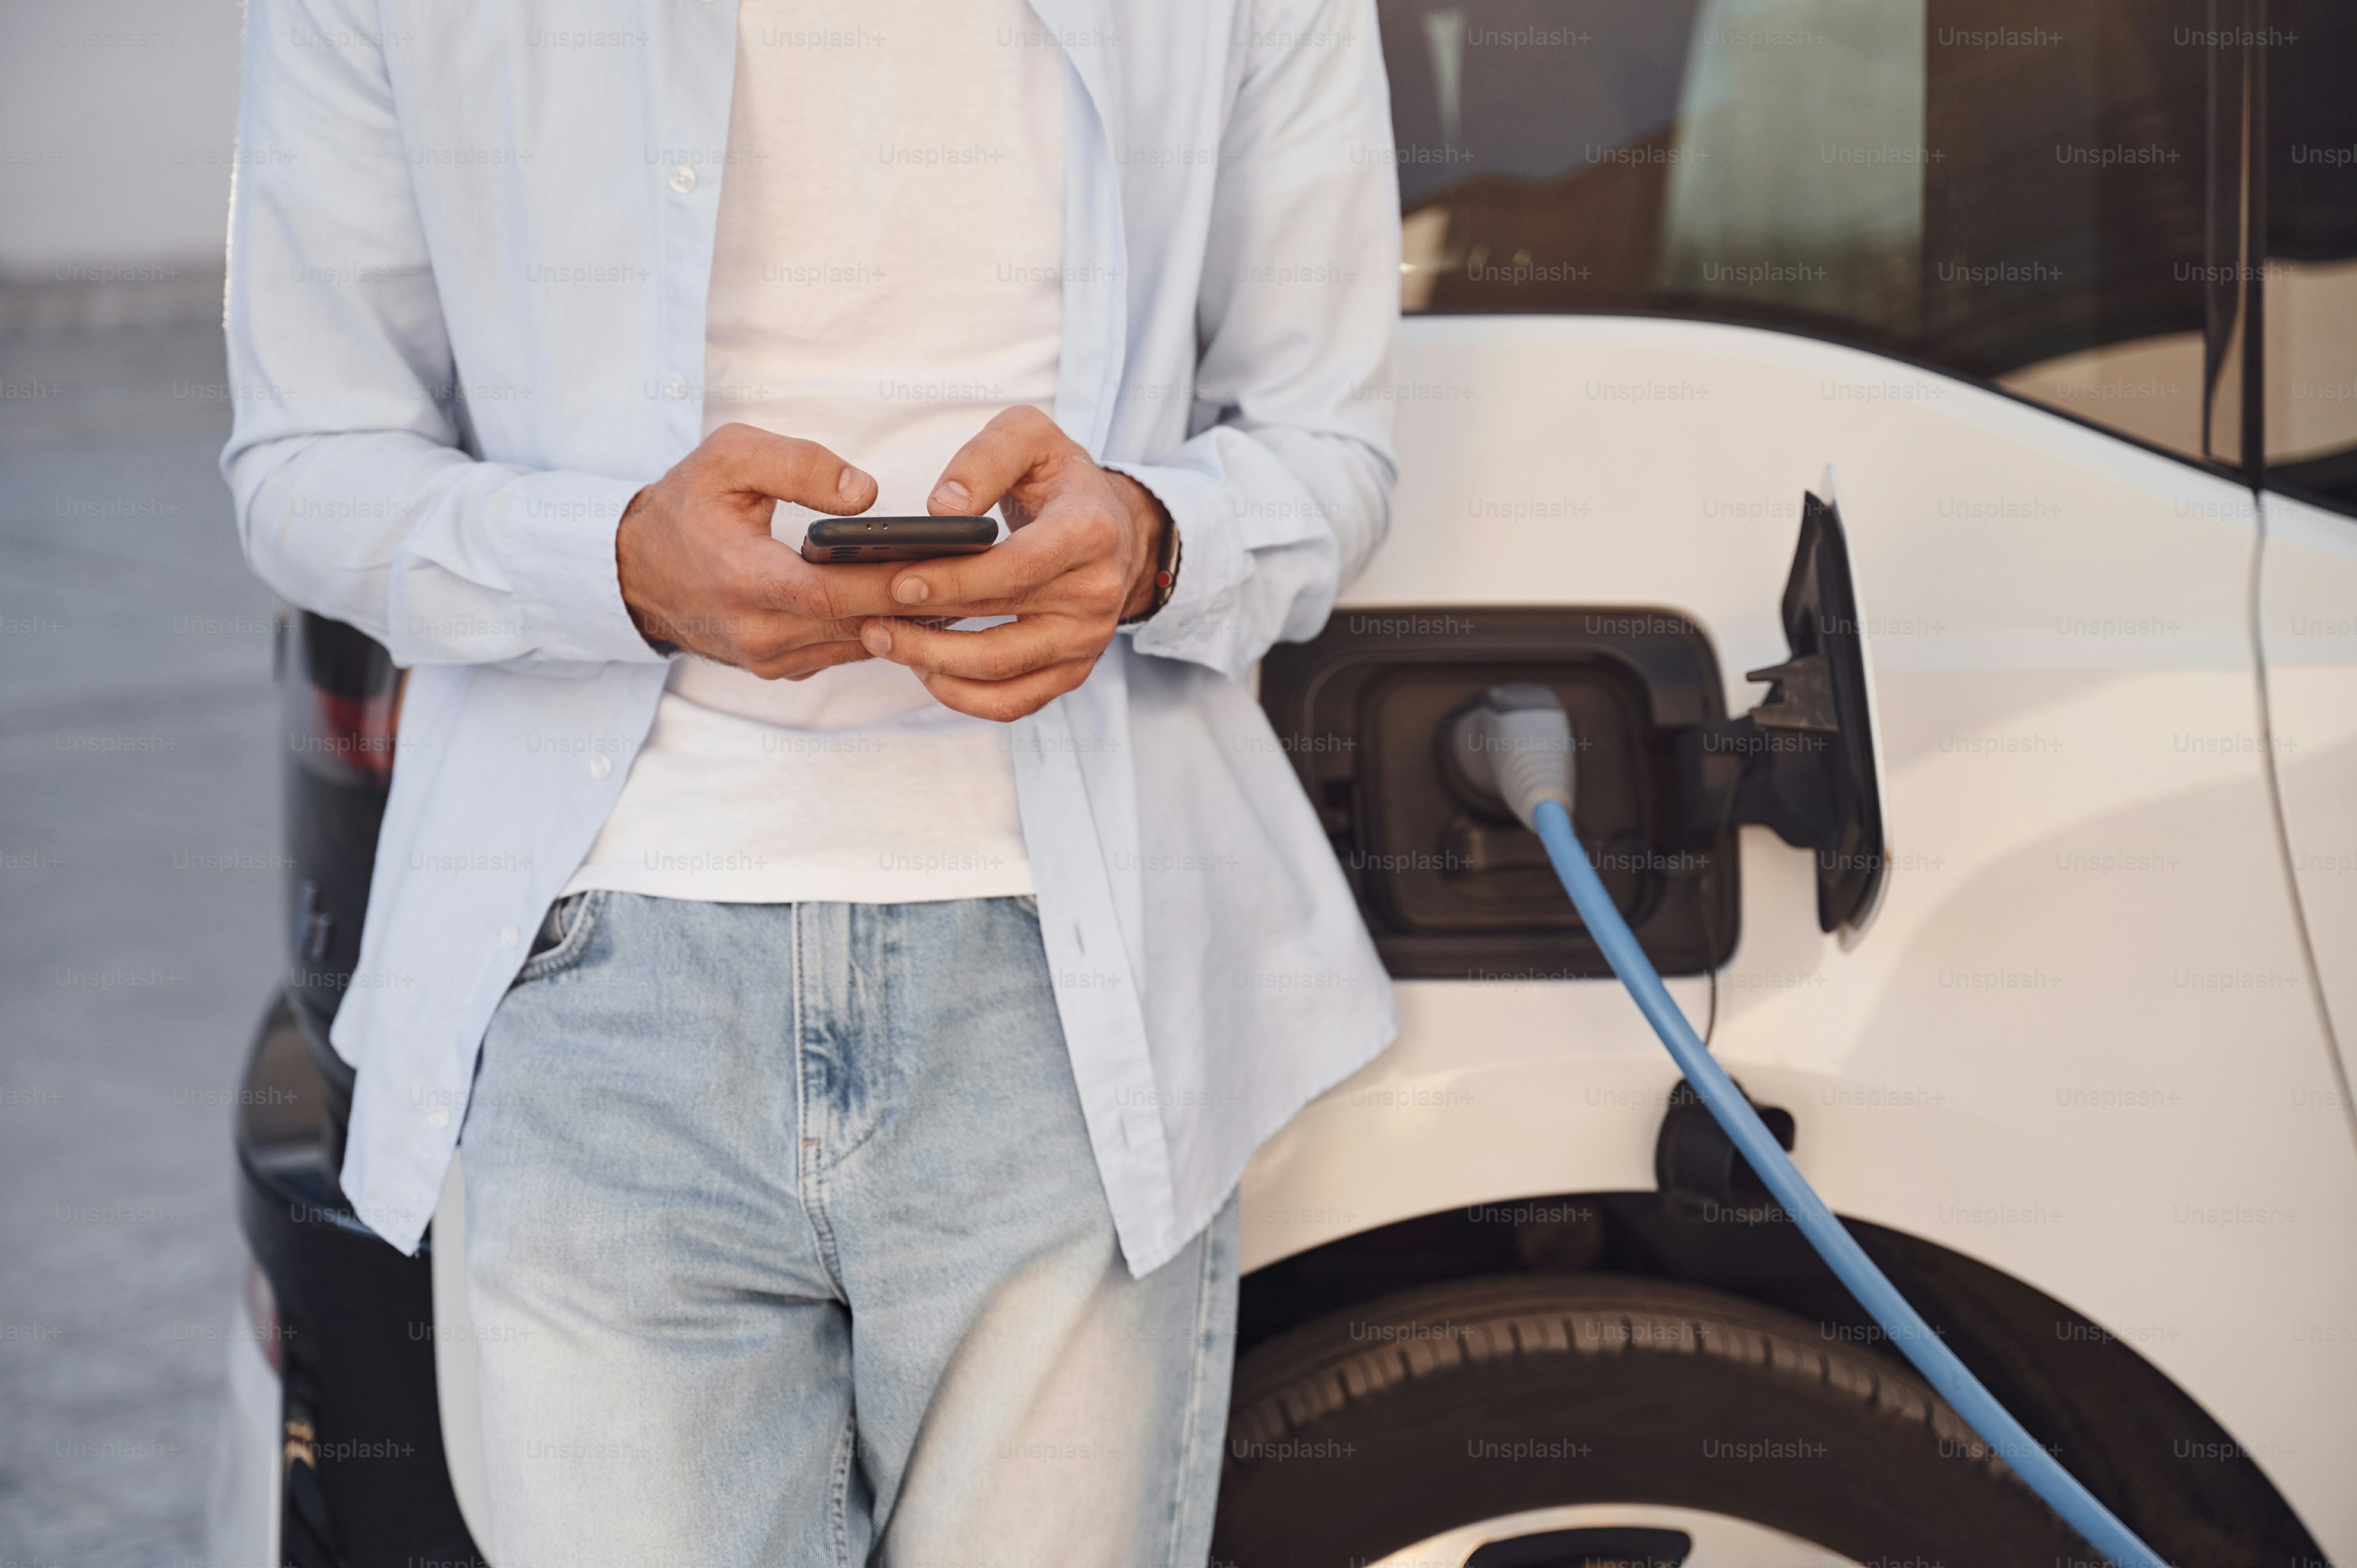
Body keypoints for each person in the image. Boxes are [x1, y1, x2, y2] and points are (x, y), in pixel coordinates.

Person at [223, 0, 1399, 1561]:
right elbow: (306, 460)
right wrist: (617, 565)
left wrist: (1152, 542)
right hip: (600, 998)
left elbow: (1334, 443)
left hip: (1076, 992)